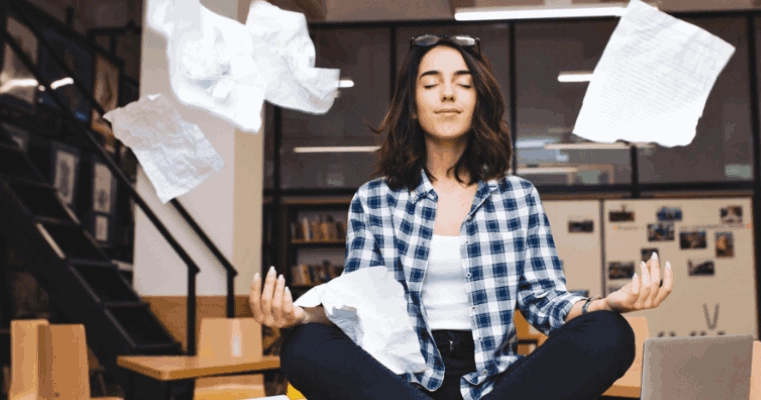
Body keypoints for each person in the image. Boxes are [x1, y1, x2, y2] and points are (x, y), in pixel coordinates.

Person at [249, 34, 675, 400]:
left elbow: (544, 299)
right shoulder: (374, 199)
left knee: (610, 333)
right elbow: (359, 305)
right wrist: (298, 317)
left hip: (497, 384)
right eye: (431, 84)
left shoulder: (517, 197)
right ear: (412, 106)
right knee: (301, 344)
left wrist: (603, 305)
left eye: (463, 84)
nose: (448, 94)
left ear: (478, 102)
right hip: (401, 384)